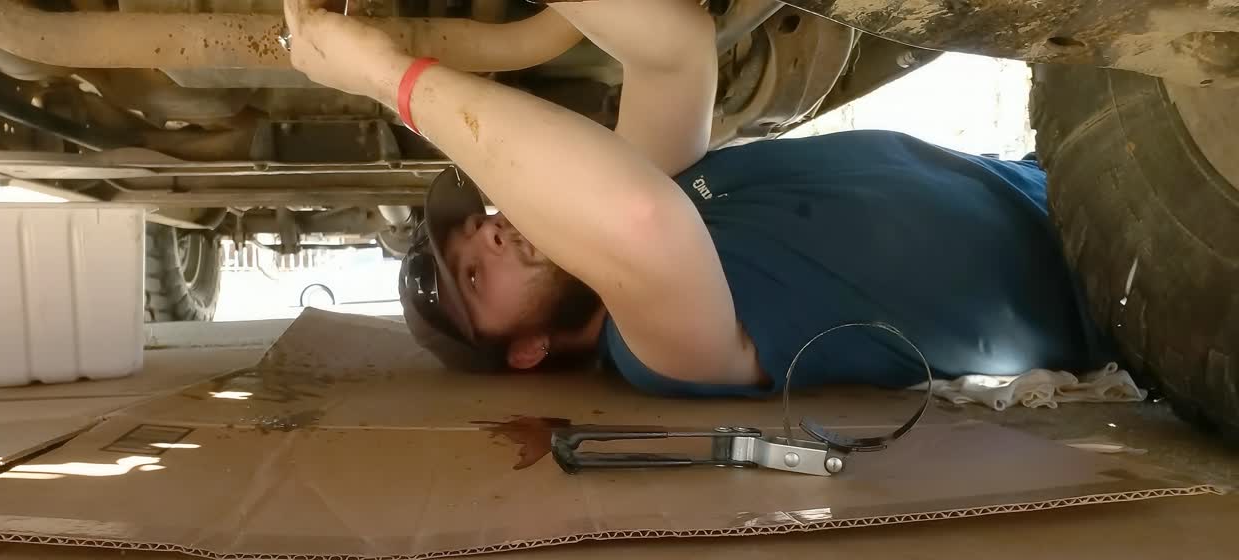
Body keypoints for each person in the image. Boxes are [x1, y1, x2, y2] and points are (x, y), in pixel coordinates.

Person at [282, 0, 1110, 397]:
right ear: (526, 351)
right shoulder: (658, 349)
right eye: (471, 277)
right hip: (1115, 282)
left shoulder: (656, 182)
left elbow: (674, 54)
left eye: (480, 226)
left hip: (1074, 179)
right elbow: (640, 223)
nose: (491, 236)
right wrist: (381, 75)